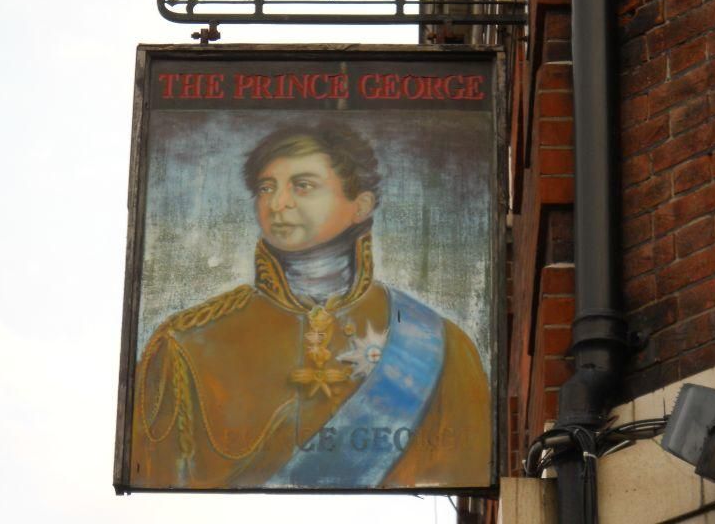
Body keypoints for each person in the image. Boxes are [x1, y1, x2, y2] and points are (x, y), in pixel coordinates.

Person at [131, 123, 491, 489]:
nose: (277, 203)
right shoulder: (186, 343)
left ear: (360, 206)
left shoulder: (442, 345)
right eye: (266, 188)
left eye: (302, 186)